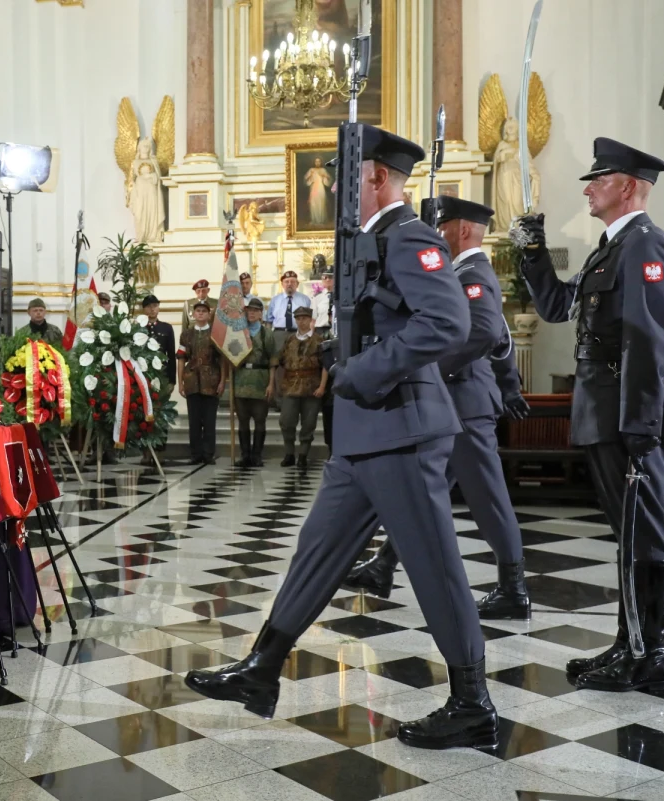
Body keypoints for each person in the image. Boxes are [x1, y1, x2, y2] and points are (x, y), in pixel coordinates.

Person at [186, 126, 498, 752]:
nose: (333, 188)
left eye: (345, 175)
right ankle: (262, 670)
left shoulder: (410, 237)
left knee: (436, 569)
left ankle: (472, 703)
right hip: (365, 434)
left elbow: (450, 321)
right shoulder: (369, 243)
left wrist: (369, 367)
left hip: (402, 429)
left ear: (377, 176)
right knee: (317, 551)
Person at [513, 137, 664, 693]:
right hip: (605, 412)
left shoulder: (645, 247)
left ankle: (648, 655)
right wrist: (534, 254)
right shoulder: (610, 247)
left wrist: (640, 423)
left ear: (628, 186)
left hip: (627, 418)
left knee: (643, 537)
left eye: (598, 178)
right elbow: (561, 306)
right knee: (627, 534)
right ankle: (628, 643)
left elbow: (649, 340)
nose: (588, 187)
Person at [343, 197, 531, 619]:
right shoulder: (461, 271)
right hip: (453, 401)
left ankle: (513, 588)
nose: (437, 233)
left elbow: (483, 331)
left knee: (488, 497)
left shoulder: (473, 273)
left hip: (464, 403)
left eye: (442, 226)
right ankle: (383, 564)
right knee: (421, 491)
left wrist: (425, 367)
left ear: (462, 230)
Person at [277, 307, 326, 469]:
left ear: (310, 320)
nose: (301, 321)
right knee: (286, 421)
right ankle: (289, 453)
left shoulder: (319, 340)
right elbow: (282, 361)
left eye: (305, 318)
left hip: (311, 386)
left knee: (308, 423)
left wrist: (322, 386)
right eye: (298, 318)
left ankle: (303, 455)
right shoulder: (290, 339)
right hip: (291, 385)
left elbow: (325, 365)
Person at [232, 297, 278, 467]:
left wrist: (271, 384)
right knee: (242, 420)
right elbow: (232, 355)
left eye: (255, 311)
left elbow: (273, 361)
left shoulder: (267, 334)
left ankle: (257, 455)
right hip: (242, 379)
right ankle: (245, 455)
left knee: (260, 419)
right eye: (249, 310)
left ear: (260, 314)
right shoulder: (239, 333)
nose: (251, 313)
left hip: (260, 380)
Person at [177, 301, 224, 465]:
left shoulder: (215, 334)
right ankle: (195, 453)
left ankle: (208, 453)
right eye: (198, 311)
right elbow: (181, 359)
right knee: (194, 420)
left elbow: (222, 359)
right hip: (192, 381)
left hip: (211, 379)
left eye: (204, 311)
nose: (201, 313)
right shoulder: (186, 334)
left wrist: (222, 381)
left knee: (209, 420)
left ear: (209, 314)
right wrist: (180, 382)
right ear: (193, 314)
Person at [142, 294, 176, 465]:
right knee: (144, 414)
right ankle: (145, 451)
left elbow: (171, 355)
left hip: (162, 379)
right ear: (144, 309)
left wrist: (172, 381)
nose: (152, 309)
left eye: (155, 306)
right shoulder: (138, 329)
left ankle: (160, 450)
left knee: (161, 416)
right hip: (144, 378)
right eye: (149, 306)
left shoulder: (167, 328)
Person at [265, 270, 312, 349]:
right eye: (287, 282)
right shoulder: (275, 300)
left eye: (293, 282)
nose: (289, 284)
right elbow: (268, 321)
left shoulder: (305, 299)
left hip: (299, 334)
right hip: (279, 334)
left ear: (297, 284)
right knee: (277, 358)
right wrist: (268, 338)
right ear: (282, 284)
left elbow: (311, 320)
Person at [312, 269, 334, 335]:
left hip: (336, 330)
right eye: (325, 277)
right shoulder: (317, 297)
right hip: (320, 331)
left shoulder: (342, 296)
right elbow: (313, 319)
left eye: (331, 277)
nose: (327, 280)